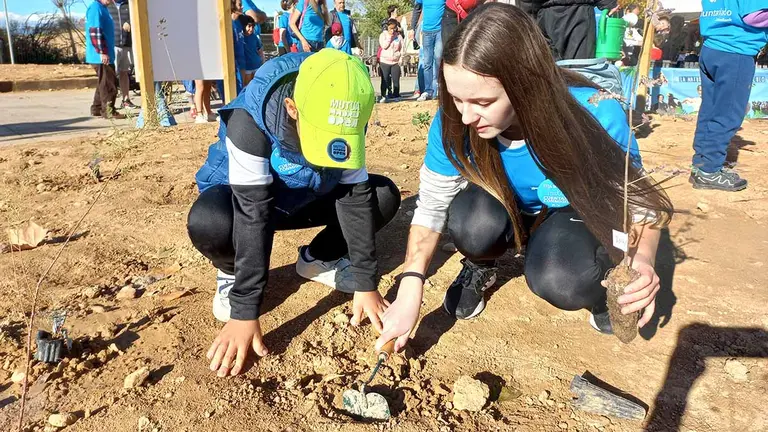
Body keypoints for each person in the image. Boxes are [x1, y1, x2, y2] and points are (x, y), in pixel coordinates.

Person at [374, 3, 673, 353]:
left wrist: (641, 260)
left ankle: (597, 275)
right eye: (456, 99)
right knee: (471, 222)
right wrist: (411, 285)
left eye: (483, 102)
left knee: (561, 279)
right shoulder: (453, 121)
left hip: (569, 209)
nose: (466, 116)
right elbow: (431, 206)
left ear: (525, 84)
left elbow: (638, 202)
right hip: (504, 204)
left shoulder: (591, 111)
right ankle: (480, 265)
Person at [188, 49, 401, 377]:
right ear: (292, 109)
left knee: (381, 197)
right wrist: (245, 311)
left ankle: (319, 258)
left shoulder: (344, 103)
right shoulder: (251, 121)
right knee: (211, 221)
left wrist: (365, 281)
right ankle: (232, 273)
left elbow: (355, 197)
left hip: (307, 197)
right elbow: (252, 214)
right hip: (246, 203)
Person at [690, 0, 768, 192]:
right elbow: (754, 17)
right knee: (728, 114)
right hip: (736, 51)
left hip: (712, 49)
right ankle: (709, 170)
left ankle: (701, 164)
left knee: (710, 109)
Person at [533, 0, 619, 60]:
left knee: (550, 69)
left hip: (547, 13)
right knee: (580, 69)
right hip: (581, 13)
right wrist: (608, 4)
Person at [85, 0, 125, 119]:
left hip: (104, 53)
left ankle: (97, 108)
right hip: (100, 55)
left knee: (103, 82)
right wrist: (102, 52)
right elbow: (95, 31)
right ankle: (108, 110)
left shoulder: (102, 8)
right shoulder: (96, 8)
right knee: (109, 83)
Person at [411, 0, 445, 101]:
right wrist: (412, 28)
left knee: (438, 57)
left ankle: (440, 87)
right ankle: (428, 91)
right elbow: (417, 9)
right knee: (427, 62)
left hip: (440, 30)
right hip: (426, 31)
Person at [107, 0, 135, 109]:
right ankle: (110, 103)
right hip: (112, 44)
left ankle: (126, 100)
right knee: (111, 74)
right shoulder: (107, 5)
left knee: (124, 73)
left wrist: (130, 22)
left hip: (127, 44)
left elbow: (136, 16)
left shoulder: (129, 4)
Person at [379, 19, 403, 103]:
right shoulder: (383, 35)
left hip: (395, 61)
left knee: (396, 80)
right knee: (384, 80)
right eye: (390, 28)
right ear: (387, 27)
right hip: (385, 61)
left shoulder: (399, 36)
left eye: (394, 28)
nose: (392, 30)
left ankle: (396, 95)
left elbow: (402, 48)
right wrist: (390, 37)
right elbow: (384, 46)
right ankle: (383, 95)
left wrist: (400, 58)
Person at [240, 14, 264, 87]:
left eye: (253, 27)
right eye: (249, 26)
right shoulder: (240, 37)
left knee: (256, 86)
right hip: (247, 67)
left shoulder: (255, 37)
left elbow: (260, 51)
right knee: (246, 87)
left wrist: (263, 62)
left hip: (257, 65)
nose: (251, 29)